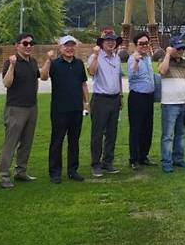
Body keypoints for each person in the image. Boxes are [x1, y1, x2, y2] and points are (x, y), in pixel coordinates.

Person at [40, 35, 89, 183]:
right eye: (66, 46)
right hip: (59, 109)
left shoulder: (79, 63)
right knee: (57, 141)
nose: (69, 48)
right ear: (60, 48)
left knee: (74, 141)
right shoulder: (54, 64)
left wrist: (86, 102)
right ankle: (55, 172)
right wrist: (48, 60)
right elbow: (43, 77)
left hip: (76, 108)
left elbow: (83, 84)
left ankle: (72, 170)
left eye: (72, 45)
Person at [0, 33, 40, 189]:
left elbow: (41, 77)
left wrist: (49, 61)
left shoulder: (33, 62)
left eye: (31, 43)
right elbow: (7, 83)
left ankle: (21, 171)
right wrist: (13, 66)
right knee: (11, 143)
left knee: (27, 143)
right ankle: (3, 175)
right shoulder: (11, 62)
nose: (29, 46)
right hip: (15, 108)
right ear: (17, 45)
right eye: (25, 43)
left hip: (31, 107)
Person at [87, 27, 124, 178]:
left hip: (114, 99)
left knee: (111, 133)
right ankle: (96, 164)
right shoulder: (95, 56)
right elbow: (91, 71)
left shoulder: (117, 58)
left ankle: (107, 162)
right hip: (100, 99)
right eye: (108, 41)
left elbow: (118, 78)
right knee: (97, 133)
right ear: (102, 43)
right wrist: (95, 55)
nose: (111, 43)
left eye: (113, 41)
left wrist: (121, 95)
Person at [158, 37, 185, 173]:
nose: (181, 51)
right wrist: (167, 54)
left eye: (182, 48)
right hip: (169, 104)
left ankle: (178, 159)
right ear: (171, 48)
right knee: (168, 135)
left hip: (183, 103)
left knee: (181, 134)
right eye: (178, 48)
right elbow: (162, 71)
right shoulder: (164, 60)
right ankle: (166, 162)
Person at [127, 31, 157, 170]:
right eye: (141, 44)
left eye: (146, 43)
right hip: (137, 97)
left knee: (147, 128)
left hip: (148, 97)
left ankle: (143, 156)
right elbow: (131, 76)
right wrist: (136, 62)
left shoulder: (147, 58)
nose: (144, 46)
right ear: (135, 45)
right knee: (136, 128)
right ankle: (134, 158)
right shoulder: (134, 58)